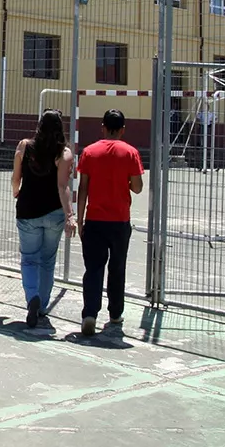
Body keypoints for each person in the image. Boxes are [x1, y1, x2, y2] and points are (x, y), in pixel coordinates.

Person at [75, 109, 145, 337]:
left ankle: (89, 314)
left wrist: (80, 218)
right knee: (117, 269)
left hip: (95, 219)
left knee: (93, 268)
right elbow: (137, 187)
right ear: (123, 129)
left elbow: (83, 187)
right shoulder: (131, 152)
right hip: (120, 220)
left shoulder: (89, 152)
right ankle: (115, 313)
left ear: (102, 127)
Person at [11, 111, 76, 332]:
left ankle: (32, 298)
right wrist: (70, 215)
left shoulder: (25, 146)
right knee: (47, 260)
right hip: (54, 214)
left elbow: (15, 178)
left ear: (39, 126)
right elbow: (62, 187)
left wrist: (16, 191)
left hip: (28, 211)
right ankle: (42, 306)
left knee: (29, 259)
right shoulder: (63, 153)